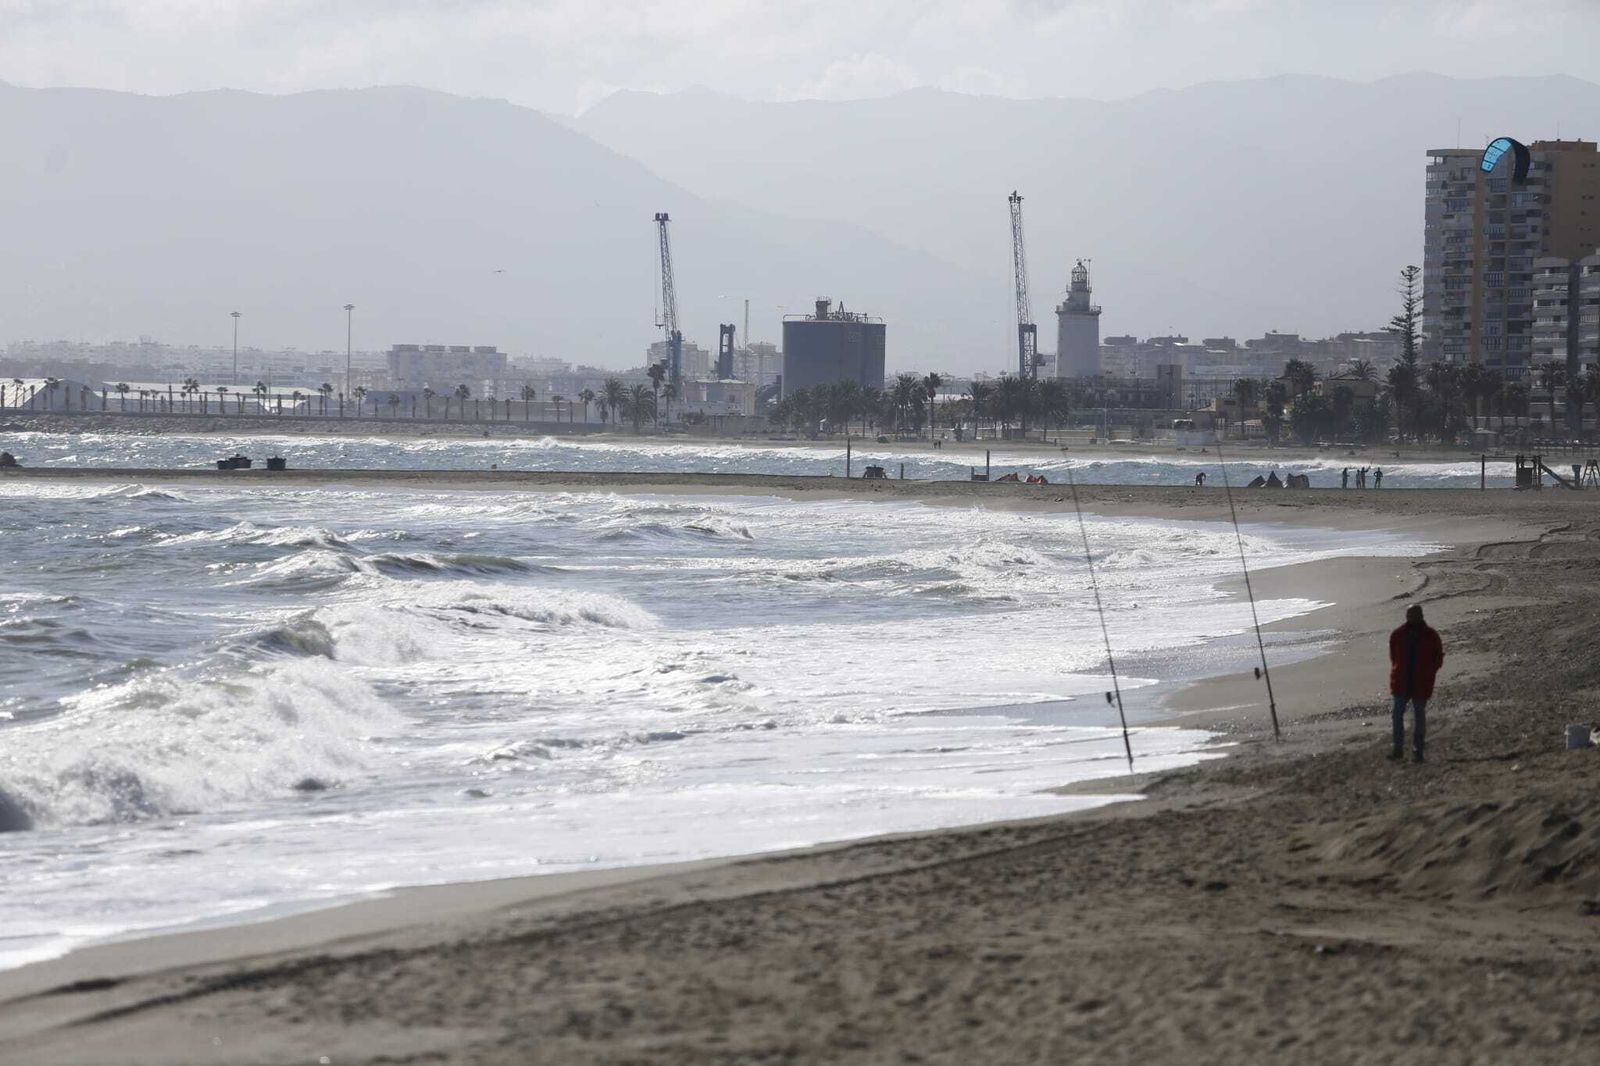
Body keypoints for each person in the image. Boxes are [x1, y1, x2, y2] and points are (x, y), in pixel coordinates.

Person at [1389, 604, 1444, 763]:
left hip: (1421, 682)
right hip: (1401, 682)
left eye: (1413, 614)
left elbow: (1437, 658)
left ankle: (1418, 751)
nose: (1410, 617)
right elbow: (1393, 657)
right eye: (1409, 614)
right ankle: (1398, 749)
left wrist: (1429, 673)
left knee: (1419, 717)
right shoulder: (1398, 634)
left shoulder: (1430, 635)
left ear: (1421, 615)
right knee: (1397, 715)